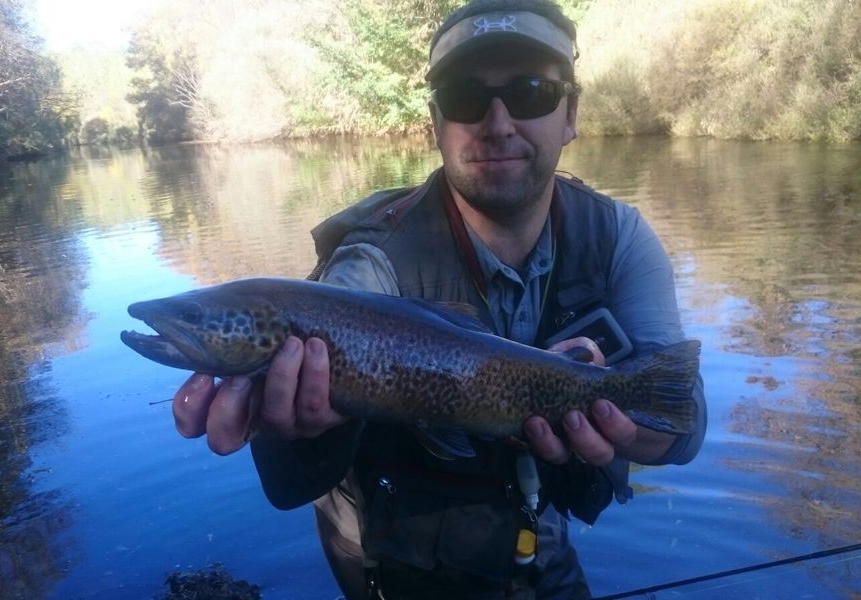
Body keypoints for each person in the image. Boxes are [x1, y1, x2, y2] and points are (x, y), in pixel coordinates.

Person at [171, 0, 706, 597]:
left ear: (571, 113)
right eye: (464, 96)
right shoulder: (370, 263)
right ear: (435, 122)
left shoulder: (620, 239)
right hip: (393, 564)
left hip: (539, 541)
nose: (498, 122)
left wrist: (620, 425)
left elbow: (682, 421)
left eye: (531, 93)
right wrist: (292, 435)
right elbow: (288, 486)